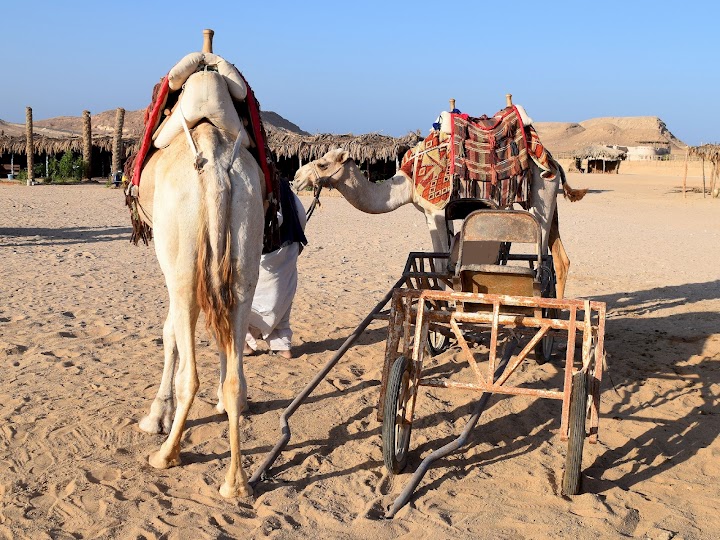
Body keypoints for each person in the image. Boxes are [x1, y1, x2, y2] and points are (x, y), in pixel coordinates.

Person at [244, 179, 307, 359]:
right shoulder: (283, 187)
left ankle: (245, 343)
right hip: (290, 245)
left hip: (264, 252)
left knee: (251, 299)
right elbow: (301, 217)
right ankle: (282, 346)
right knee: (282, 298)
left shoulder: (250, 183)